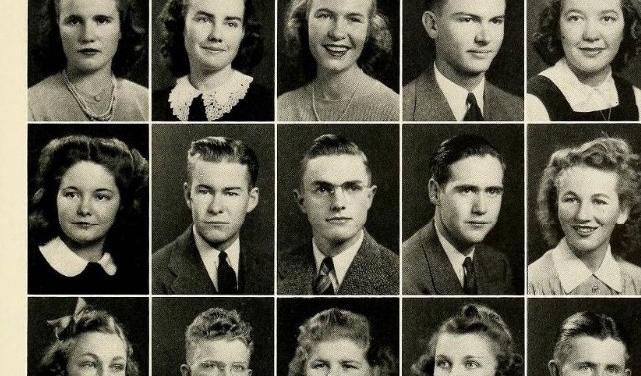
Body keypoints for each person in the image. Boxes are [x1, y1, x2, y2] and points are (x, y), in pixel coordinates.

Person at [277, 0, 399, 121]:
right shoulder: (282, 109)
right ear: (305, 21)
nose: (337, 33)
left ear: (369, 28)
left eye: (353, 19)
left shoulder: (394, 109)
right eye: (325, 15)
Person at [527, 0, 641, 122]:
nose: (591, 35)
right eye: (575, 18)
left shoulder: (635, 97)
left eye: (607, 18)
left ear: (626, 29)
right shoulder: (533, 101)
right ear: (557, 27)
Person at [528, 136, 641, 295]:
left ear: (623, 211)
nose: (582, 215)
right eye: (571, 199)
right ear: (556, 204)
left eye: (599, 201)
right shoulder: (531, 282)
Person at [153, 0, 273, 121]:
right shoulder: (153, 105)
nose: (216, 35)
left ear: (243, 32)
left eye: (231, 23)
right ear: (181, 25)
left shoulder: (269, 105)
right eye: (204, 20)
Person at [28, 0, 149, 121]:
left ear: (121, 28)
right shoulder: (30, 104)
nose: (87, 36)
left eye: (102, 20)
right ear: (57, 27)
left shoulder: (145, 102)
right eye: (74, 21)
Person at [278, 134, 398, 294]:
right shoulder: (273, 271)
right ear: (301, 201)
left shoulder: (399, 275)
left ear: (369, 197)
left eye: (352, 187)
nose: (338, 204)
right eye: (323, 189)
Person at [29, 134, 149, 295]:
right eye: (71, 194)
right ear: (54, 196)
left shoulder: (136, 273)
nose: (84, 209)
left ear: (123, 203)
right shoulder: (28, 265)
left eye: (100, 197)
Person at [403, 0, 523, 121]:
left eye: (495, 21)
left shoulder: (520, 109)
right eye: (468, 20)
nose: (484, 38)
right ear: (432, 25)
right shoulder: (401, 108)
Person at [152, 136, 269, 294]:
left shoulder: (273, 269)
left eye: (231, 193)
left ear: (251, 200)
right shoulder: (154, 273)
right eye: (205, 191)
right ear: (188, 196)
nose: (215, 208)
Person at [403, 134, 515, 295]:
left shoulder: (498, 264)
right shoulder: (405, 270)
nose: (481, 208)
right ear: (435, 192)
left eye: (492, 191)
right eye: (467, 190)